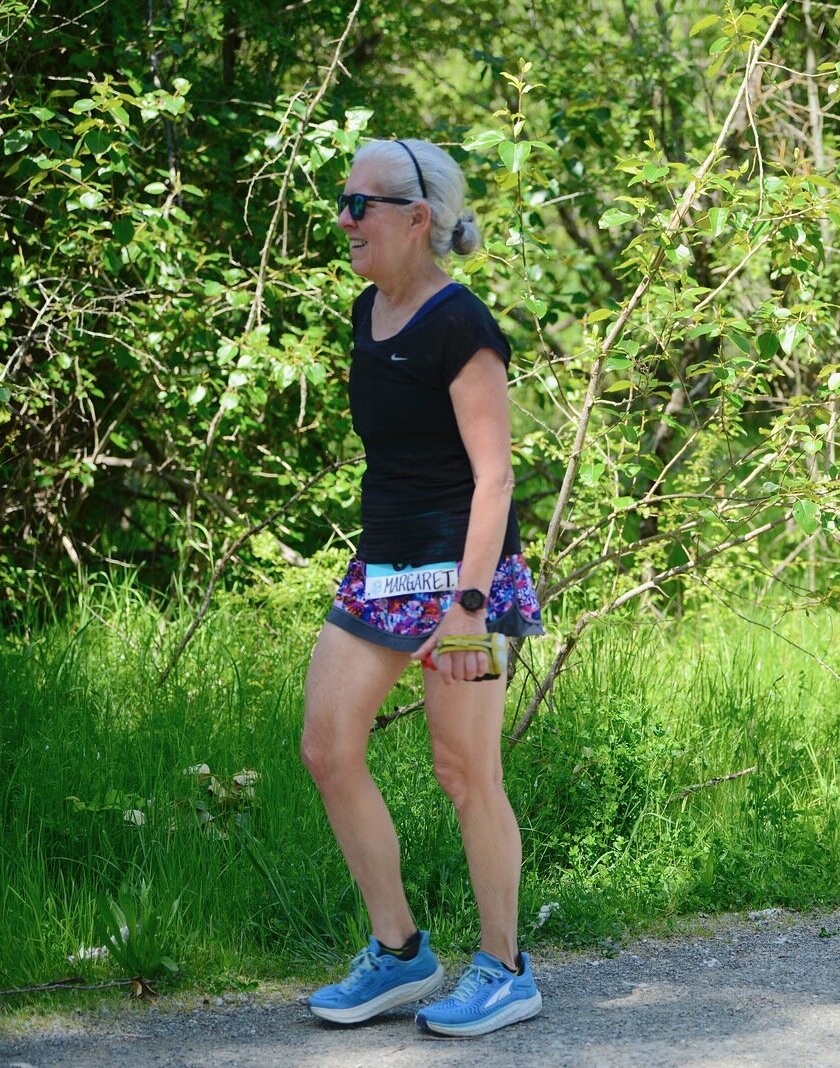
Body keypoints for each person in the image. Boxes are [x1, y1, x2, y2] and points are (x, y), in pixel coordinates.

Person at [301, 137, 545, 1037]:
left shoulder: (461, 326)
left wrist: (470, 612)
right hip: (384, 568)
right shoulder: (367, 312)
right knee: (327, 748)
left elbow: (496, 478)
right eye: (341, 201)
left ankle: (506, 969)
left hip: (465, 576)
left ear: (416, 218)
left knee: (464, 771)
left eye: (357, 204)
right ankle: (400, 952)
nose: (343, 220)